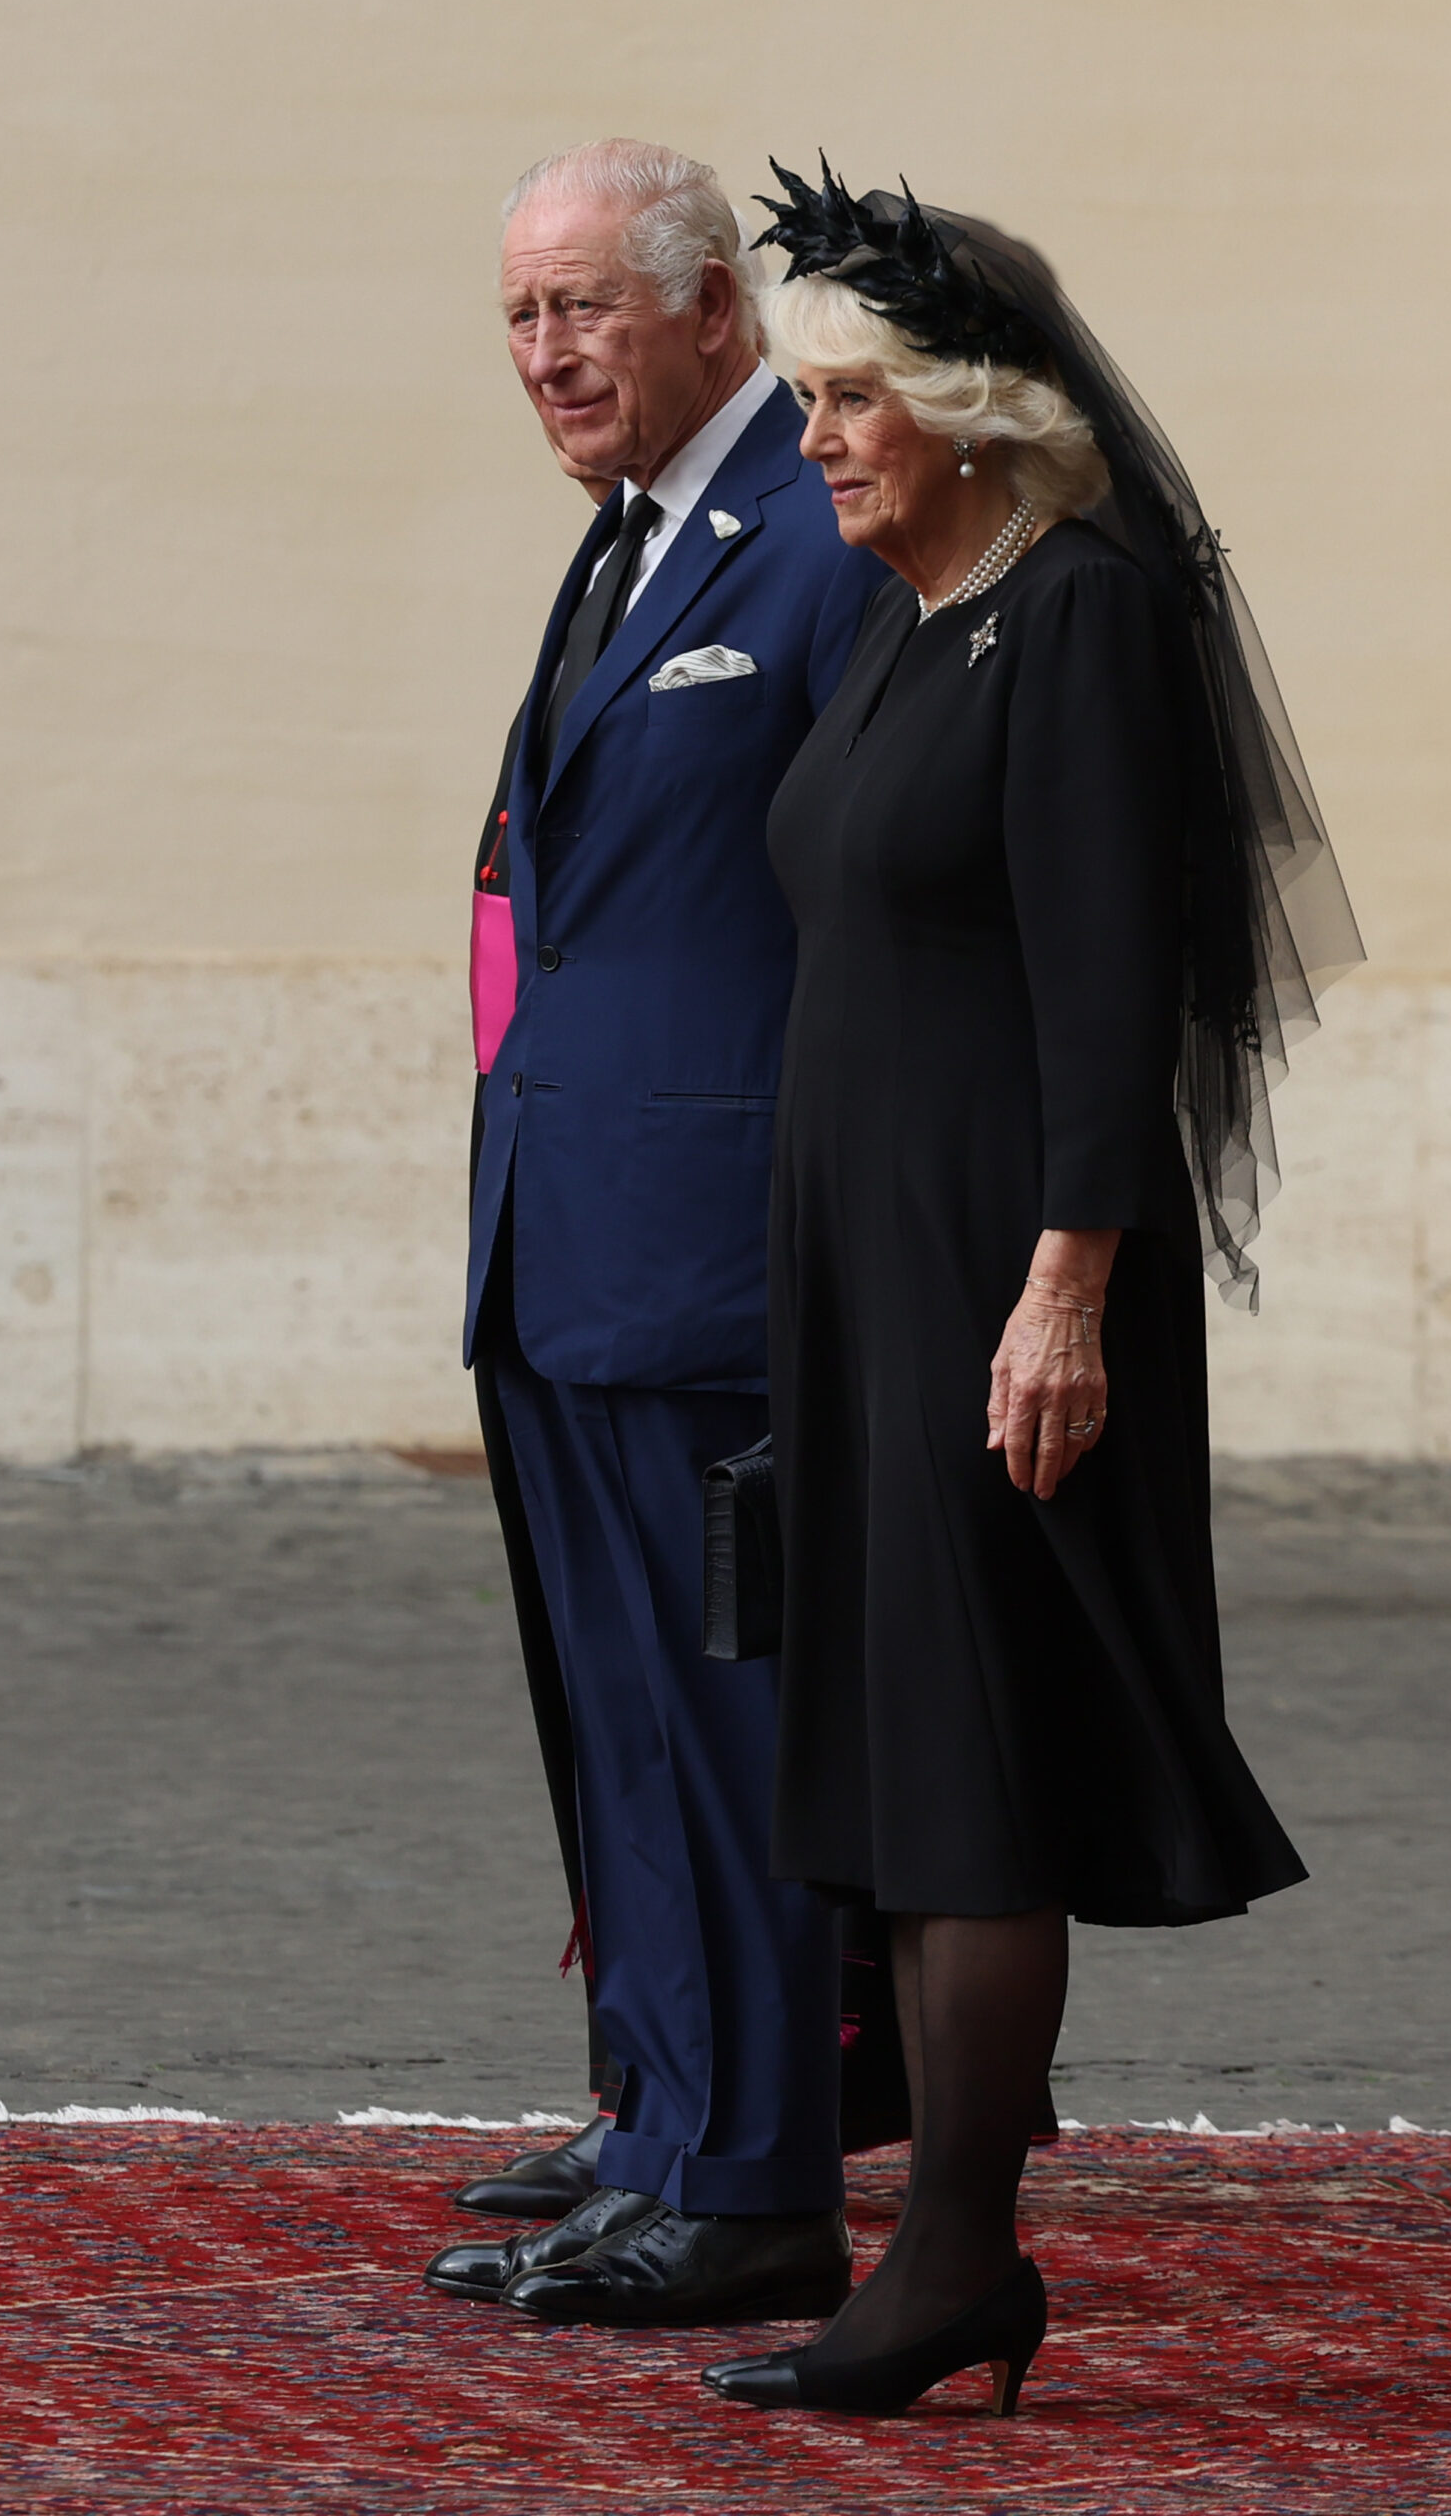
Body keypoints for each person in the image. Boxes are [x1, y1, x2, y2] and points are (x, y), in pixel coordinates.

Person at [702, 164, 1362, 2415]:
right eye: (800, 406)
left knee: (975, 1747)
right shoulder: (915, 610)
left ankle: (954, 2255)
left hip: (1001, 1260)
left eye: (843, 403)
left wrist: (1061, 1286)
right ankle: (943, 2239)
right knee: (899, 1727)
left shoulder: (1071, 616)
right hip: (869, 1262)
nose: (813, 446)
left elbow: (1109, 994)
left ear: (975, 413)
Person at [427, 139, 890, 2328]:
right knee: (610, 1701)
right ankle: (659, 2097)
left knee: (720, 1709)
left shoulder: (812, 532)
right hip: (565, 1223)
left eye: (584, 306)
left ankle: (750, 2175)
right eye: (521, 314)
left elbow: (880, 899)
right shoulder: (627, 543)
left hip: (718, 1236)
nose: (545, 353)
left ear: (713, 305)